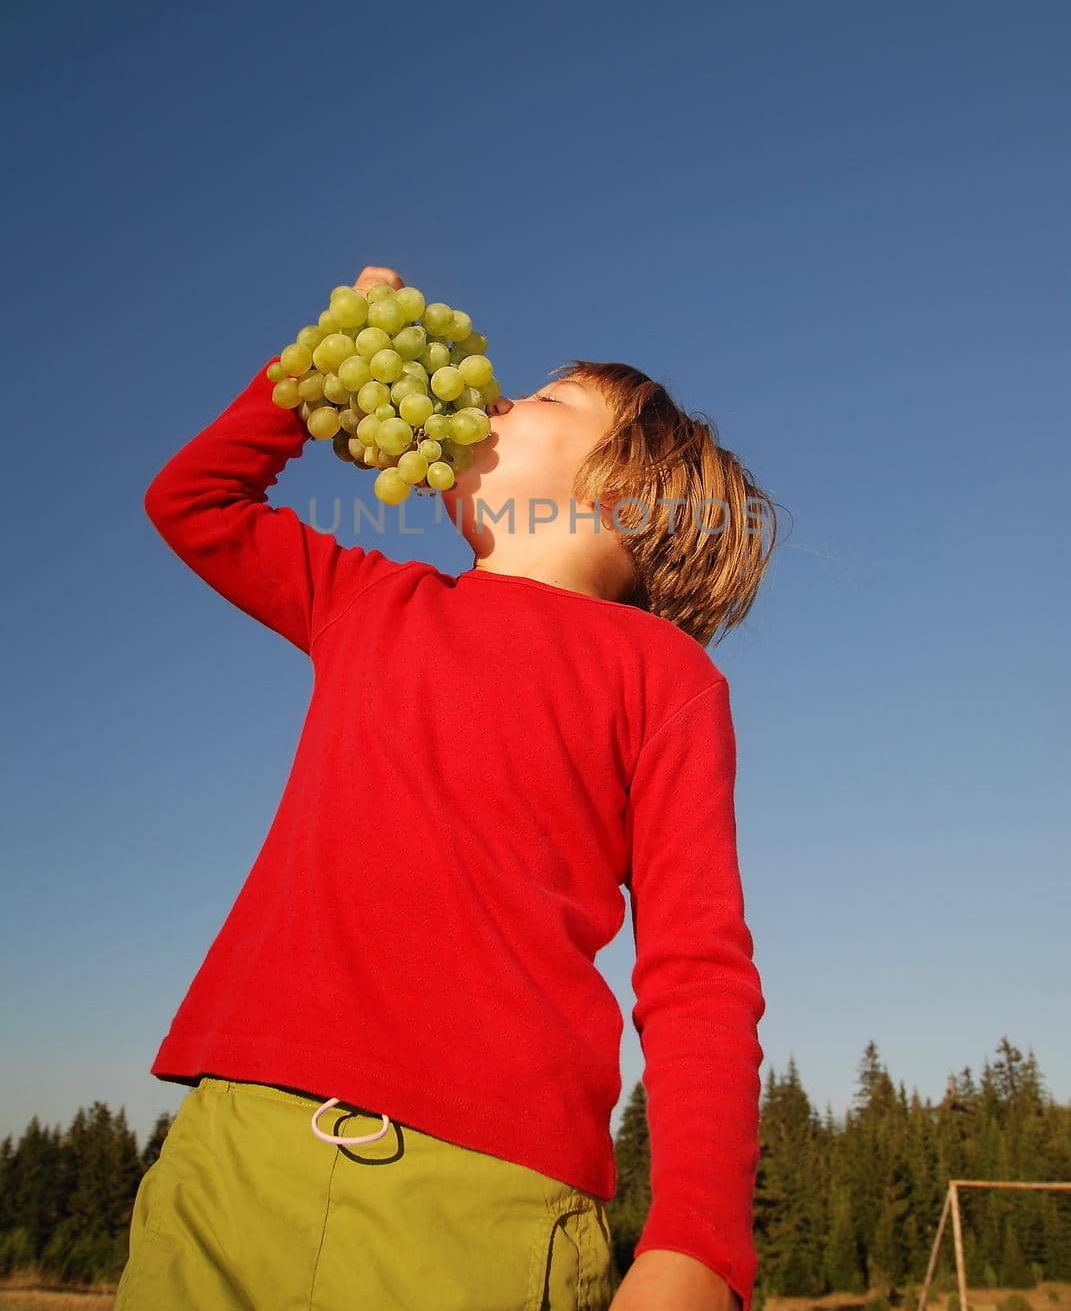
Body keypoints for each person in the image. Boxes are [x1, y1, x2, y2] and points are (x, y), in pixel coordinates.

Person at [114, 264, 781, 1311]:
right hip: (239, 1150)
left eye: (547, 399)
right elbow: (193, 502)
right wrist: (314, 364)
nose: (498, 397)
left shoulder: (667, 677)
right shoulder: (365, 599)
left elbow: (697, 967)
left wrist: (697, 1243)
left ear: (627, 494)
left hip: (489, 1197)